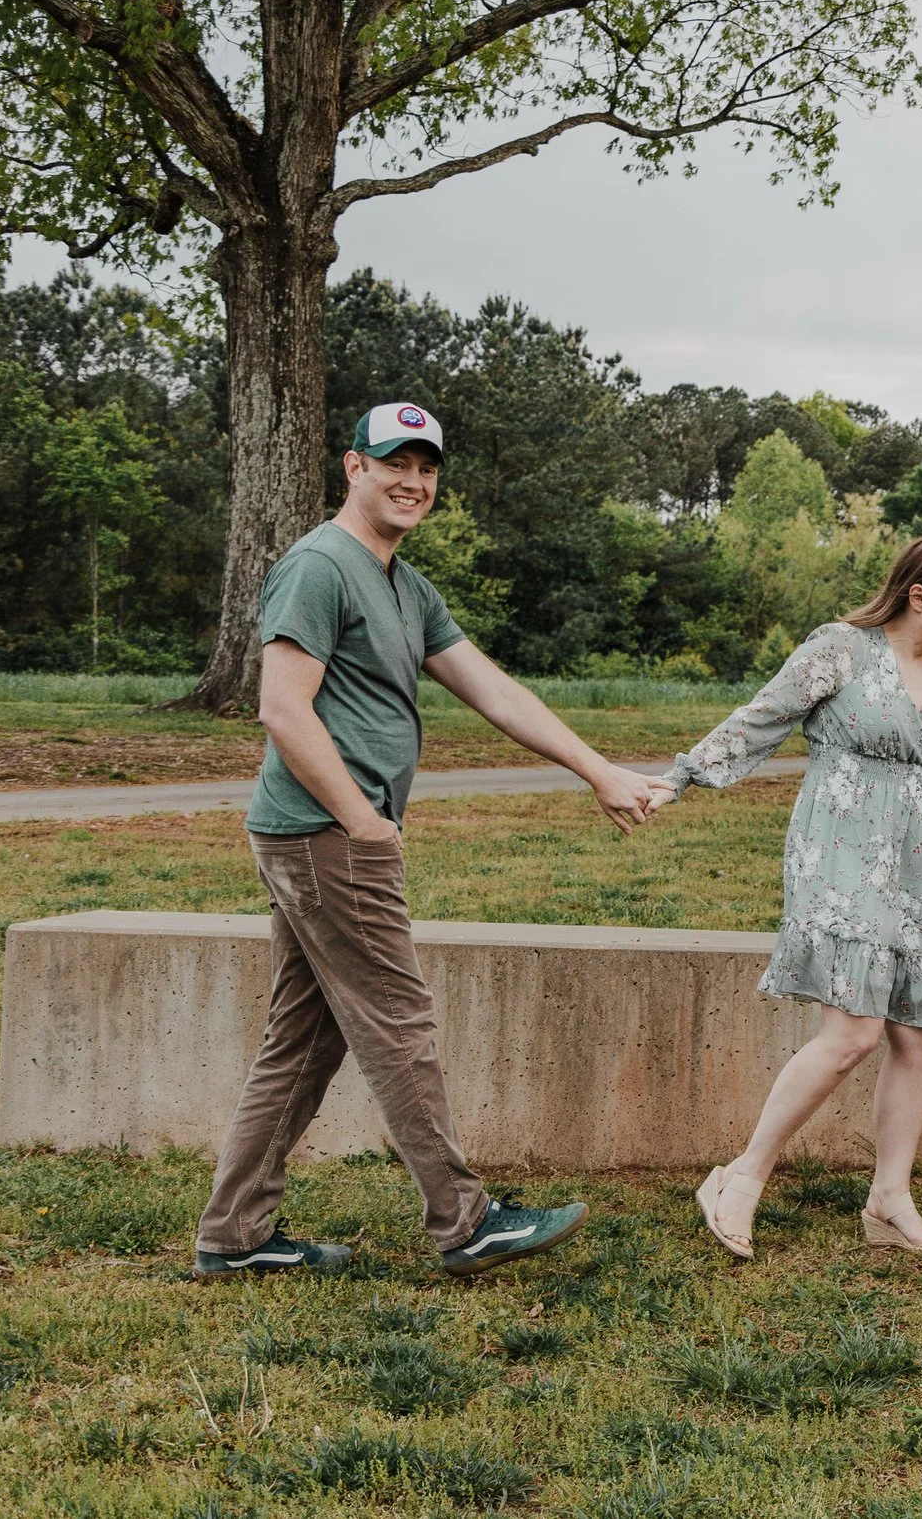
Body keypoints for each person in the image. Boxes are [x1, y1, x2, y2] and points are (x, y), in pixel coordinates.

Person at [193, 402, 658, 1282]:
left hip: (322, 836)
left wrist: (597, 768)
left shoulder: (403, 584)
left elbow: (495, 691)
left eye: (427, 468)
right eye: (393, 463)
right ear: (352, 467)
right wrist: (365, 823)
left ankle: (234, 1236)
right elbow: (282, 709)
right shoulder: (318, 566)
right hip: (329, 835)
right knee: (398, 1021)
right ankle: (465, 1220)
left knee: (304, 1039)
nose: (413, 482)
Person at [661, 534, 922, 1262]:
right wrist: (683, 775)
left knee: (919, 1034)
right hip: (839, 846)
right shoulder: (841, 648)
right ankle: (741, 1175)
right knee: (852, 1033)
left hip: (914, 861)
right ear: (919, 596)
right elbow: (762, 717)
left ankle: (890, 1200)